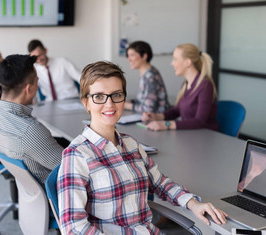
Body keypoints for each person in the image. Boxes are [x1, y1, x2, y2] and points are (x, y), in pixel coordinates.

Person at [57, 61, 227, 234]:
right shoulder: (77, 155)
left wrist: (194, 203)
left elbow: (160, 183)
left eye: (116, 95)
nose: (109, 104)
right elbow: (73, 228)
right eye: (99, 96)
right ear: (86, 102)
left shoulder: (131, 144)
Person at [0, 54, 64, 184]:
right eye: (37, 81)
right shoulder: (31, 131)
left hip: (31, 193)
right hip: (58, 195)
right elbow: (73, 167)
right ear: (28, 89)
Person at [124, 41, 170, 113]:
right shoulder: (145, 74)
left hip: (156, 119)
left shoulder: (151, 76)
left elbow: (149, 109)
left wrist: (127, 106)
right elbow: (143, 100)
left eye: (132, 55)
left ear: (144, 56)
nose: (128, 59)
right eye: (128, 55)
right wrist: (129, 102)